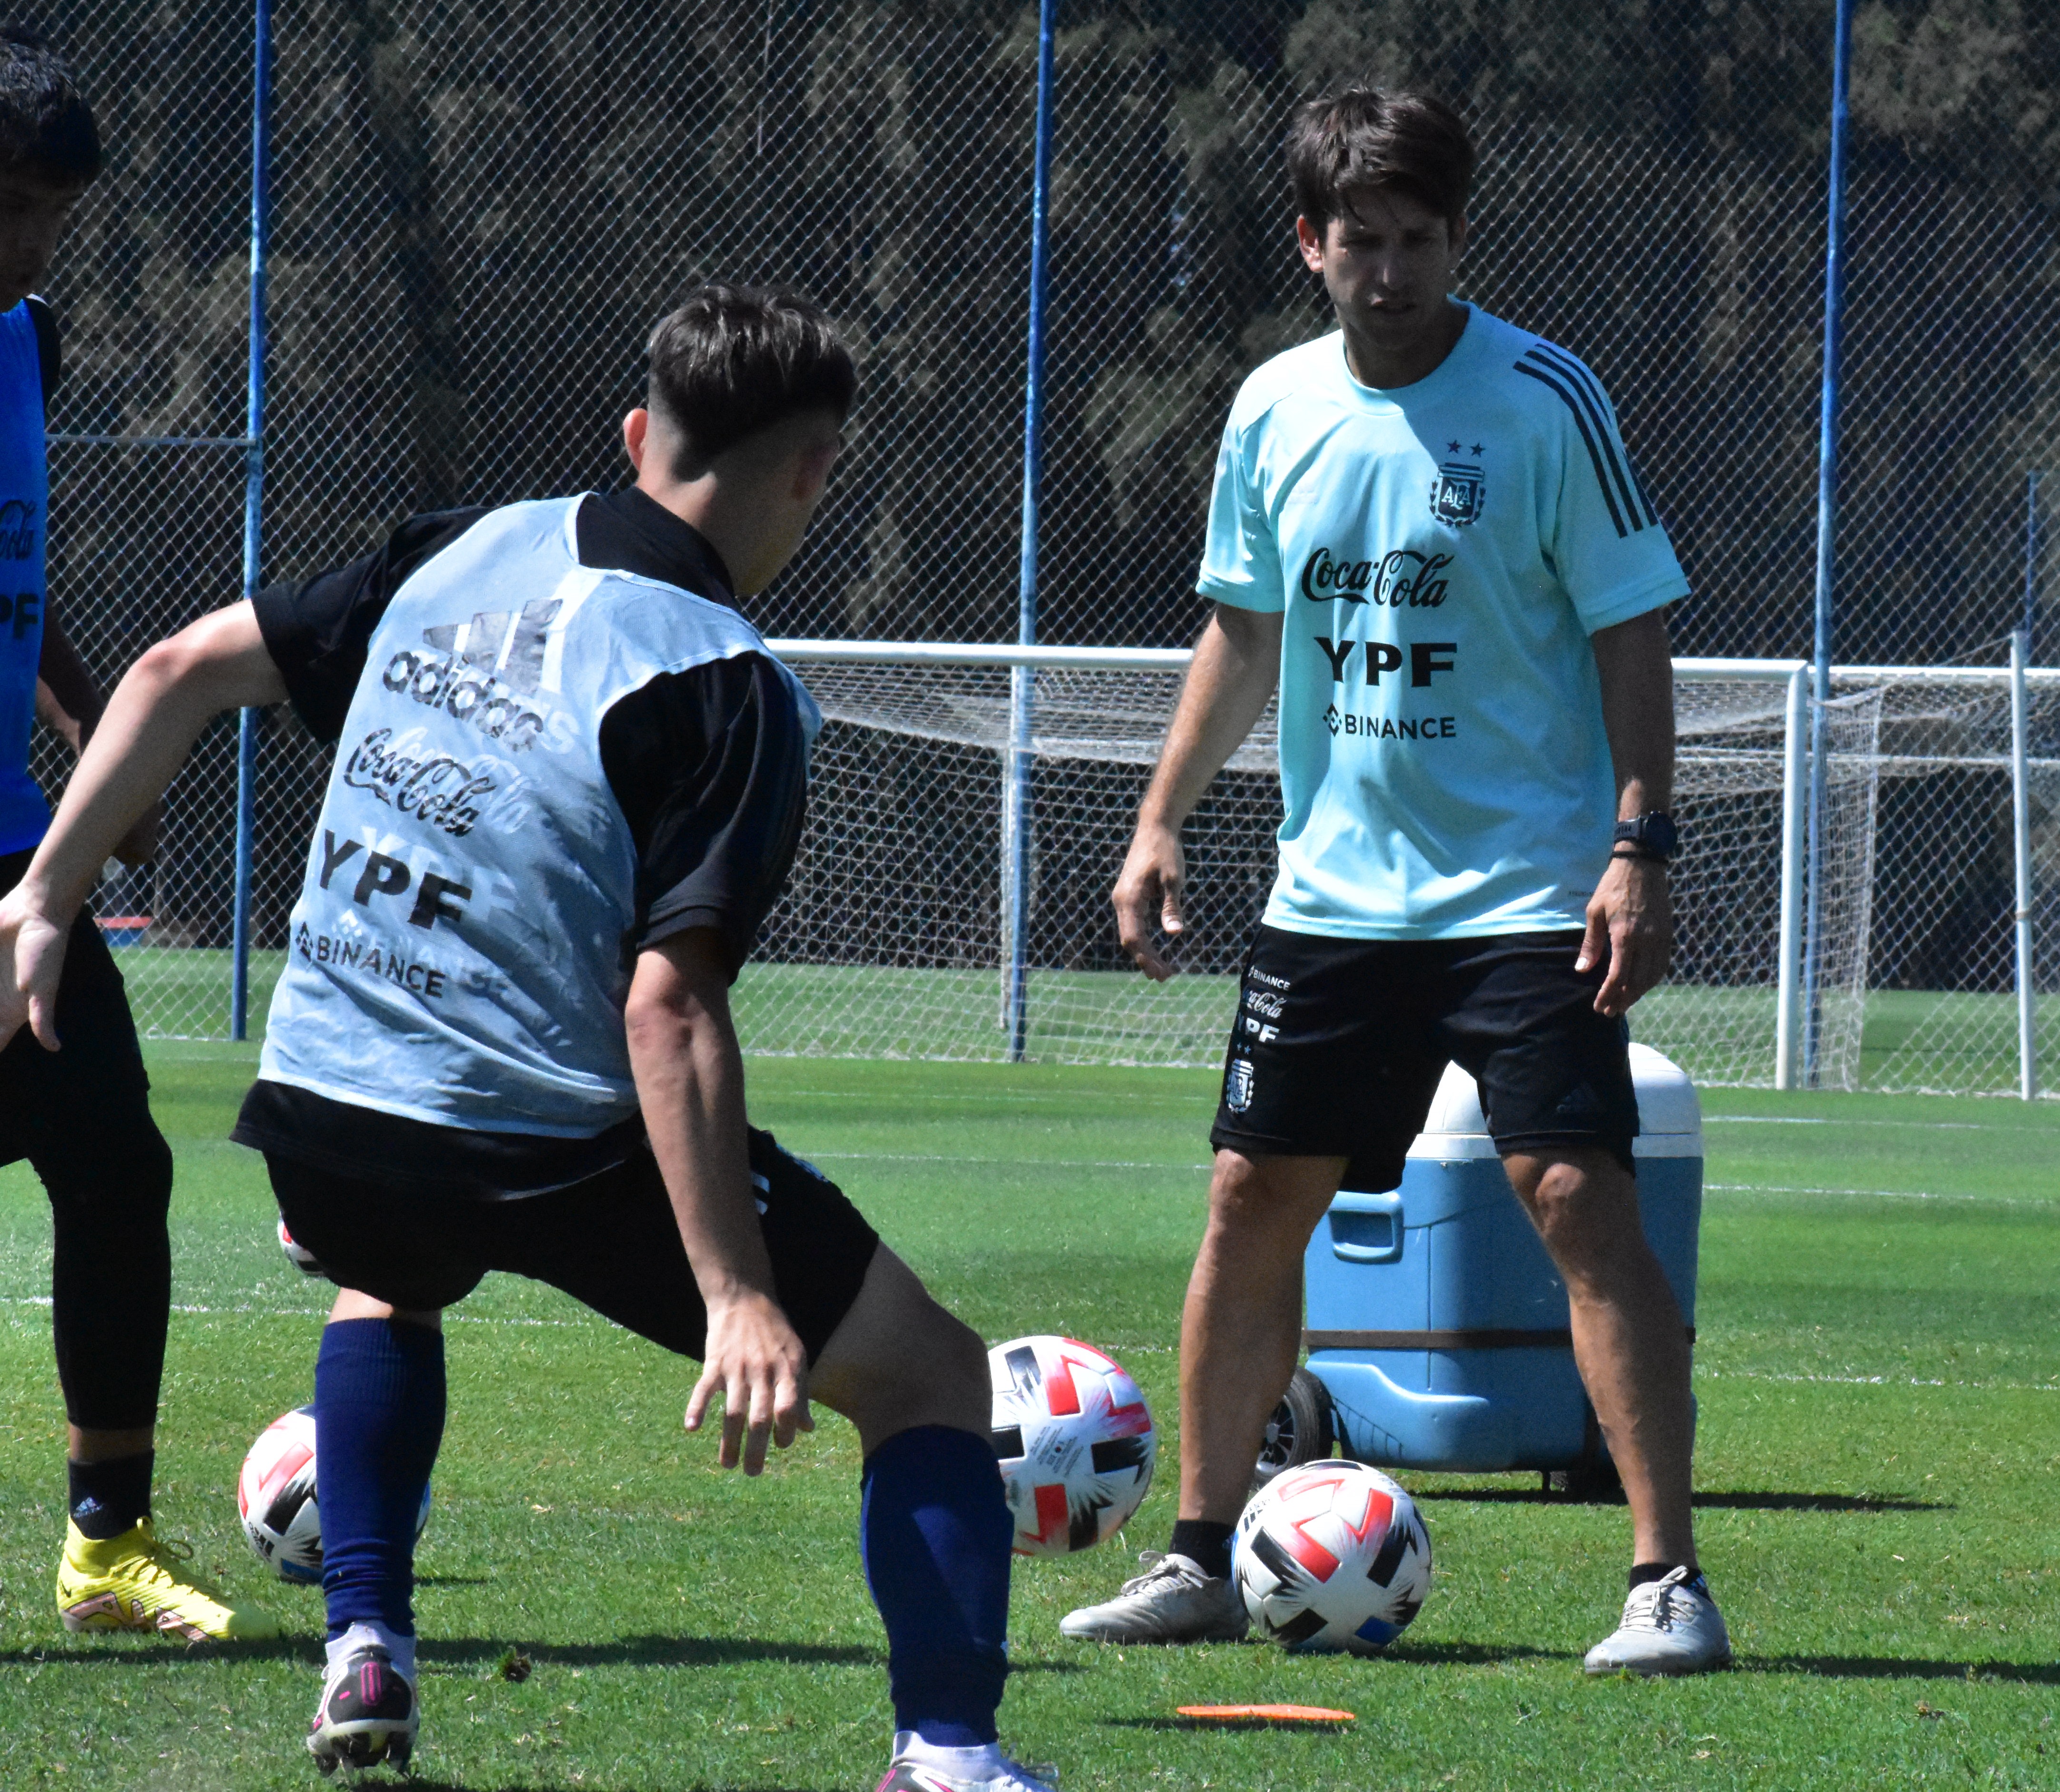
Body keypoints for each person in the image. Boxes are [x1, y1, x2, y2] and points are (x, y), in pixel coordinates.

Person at [0, 284, 1050, 1787]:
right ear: (815, 470)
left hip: (319, 1111)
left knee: (390, 1273)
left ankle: (366, 1639)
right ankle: (948, 1758)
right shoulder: (723, 682)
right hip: (541, 1140)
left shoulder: (468, 543)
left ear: (635, 435)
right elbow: (667, 1007)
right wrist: (736, 1293)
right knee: (932, 1379)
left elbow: (173, 671)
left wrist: (47, 897)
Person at [1058, 87, 1728, 1676]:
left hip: (1525, 890)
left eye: (1420, 240)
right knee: (1249, 1200)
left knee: (1575, 1196)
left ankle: (1666, 1583)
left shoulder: (1546, 400)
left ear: (1457, 238)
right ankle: (1200, 1557)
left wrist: (1638, 846)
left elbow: (1631, 624)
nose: (1392, 271)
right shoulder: (1272, 408)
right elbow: (1243, 630)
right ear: (1309, 244)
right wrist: (1158, 822)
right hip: (1333, 900)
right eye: (1361, 241)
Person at [0, 26, 275, 1644]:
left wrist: (102, 741)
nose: (35, 248)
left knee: (114, 1164)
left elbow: (16, 583)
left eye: (54, 216)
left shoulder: (25, 340)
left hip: (17, 858)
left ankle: (106, 1541)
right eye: (10, 208)